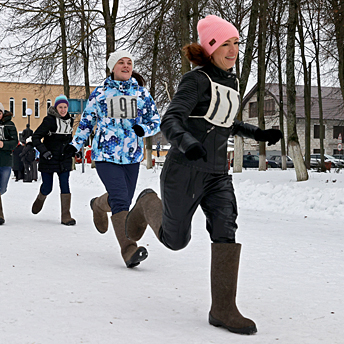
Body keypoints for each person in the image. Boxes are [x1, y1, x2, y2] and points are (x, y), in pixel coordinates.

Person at [124, 16, 283, 334]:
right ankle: (146, 204)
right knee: (175, 240)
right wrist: (188, 142)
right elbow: (171, 120)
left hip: (216, 173)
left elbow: (225, 122)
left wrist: (258, 133)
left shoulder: (232, 82)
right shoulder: (194, 81)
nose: (233, 49)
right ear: (210, 48)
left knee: (226, 226)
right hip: (183, 170)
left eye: (236, 43)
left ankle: (223, 308)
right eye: (225, 43)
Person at [64, 51, 161, 267]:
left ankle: (99, 204)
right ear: (112, 68)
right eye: (121, 63)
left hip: (131, 156)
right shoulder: (100, 93)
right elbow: (87, 122)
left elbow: (155, 121)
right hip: (105, 155)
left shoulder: (141, 93)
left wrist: (142, 128)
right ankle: (129, 250)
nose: (126, 66)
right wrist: (75, 145)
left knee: (124, 200)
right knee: (120, 199)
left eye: (129, 63)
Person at [31, 95, 76, 226]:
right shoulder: (49, 121)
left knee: (65, 185)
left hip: (64, 159)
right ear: (56, 107)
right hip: (49, 158)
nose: (63, 110)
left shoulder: (70, 121)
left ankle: (66, 216)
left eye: (65, 107)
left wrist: (73, 148)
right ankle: (41, 196)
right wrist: (44, 151)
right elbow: (36, 137)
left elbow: (69, 139)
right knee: (48, 187)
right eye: (60, 107)